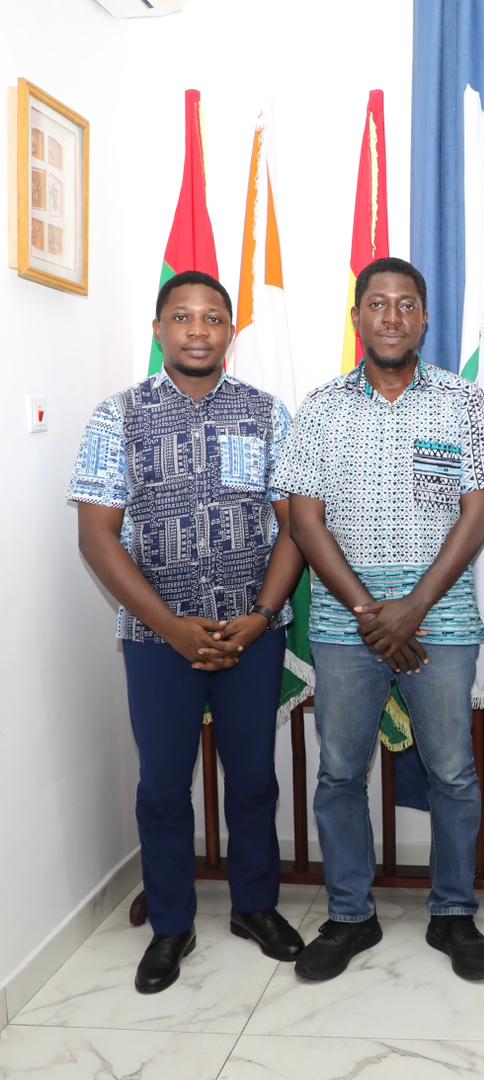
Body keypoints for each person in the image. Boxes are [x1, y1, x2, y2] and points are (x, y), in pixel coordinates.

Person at [69, 270, 305, 994]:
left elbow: (296, 527)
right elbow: (97, 537)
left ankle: (255, 907)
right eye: (182, 317)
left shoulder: (267, 413)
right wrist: (170, 628)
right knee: (164, 787)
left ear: (230, 332)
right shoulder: (118, 416)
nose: (197, 330)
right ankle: (172, 924)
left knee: (254, 779)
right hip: (156, 641)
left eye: (212, 318)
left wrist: (260, 616)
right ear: (159, 329)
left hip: (251, 634)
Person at [274, 257, 484, 982]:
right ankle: (350, 914)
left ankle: (453, 912)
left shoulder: (463, 402)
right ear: (357, 318)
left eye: (407, 304)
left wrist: (413, 609)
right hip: (346, 621)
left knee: (453, 774)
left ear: (425, 319)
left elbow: (478, 515)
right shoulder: (322, 407)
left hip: (441, 617)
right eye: (377, 304)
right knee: (340, 773)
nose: (392, 317)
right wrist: (370, 614)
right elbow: (304, 521)